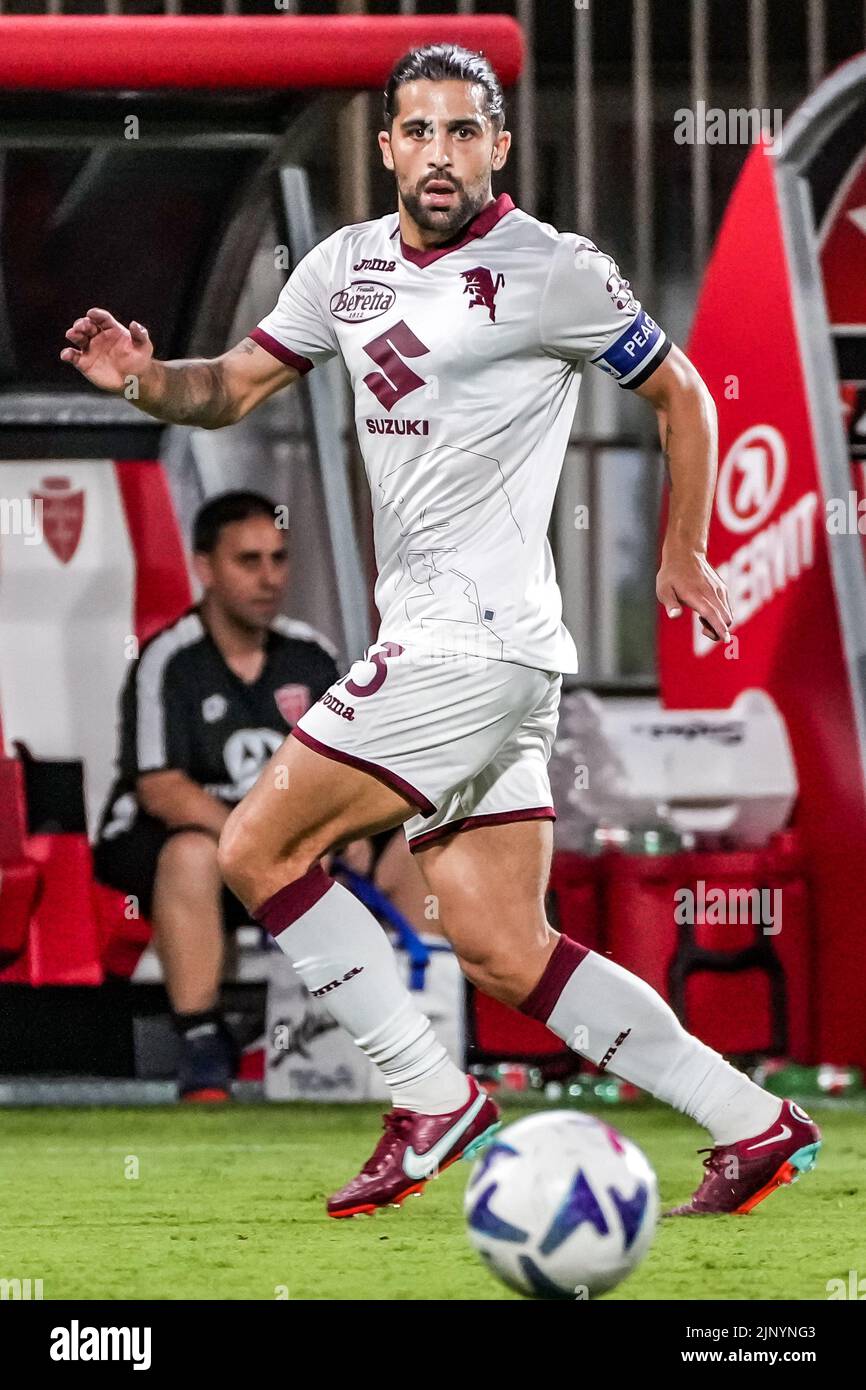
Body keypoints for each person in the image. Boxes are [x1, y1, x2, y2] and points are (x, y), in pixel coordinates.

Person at [63, 43, 821, 1217]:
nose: (437, 153)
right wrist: (143, 380)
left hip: (466, 647)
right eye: (416, 131)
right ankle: (753, 1120)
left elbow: (682, 394)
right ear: (384, 148)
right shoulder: (341, 268)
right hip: (492, 662)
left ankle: (431, 1097)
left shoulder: (553, 270)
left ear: (497, 148)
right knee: (504, 947)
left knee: (255, 847)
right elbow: (230, 386)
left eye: (462, 132)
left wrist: (680, 548)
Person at [93, 490, 366, 1101]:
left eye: (279, 559)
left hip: (283, 853)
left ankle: (423, 1041)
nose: (269, 578)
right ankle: (200, 1043)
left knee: (412, 848)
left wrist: (346, 840)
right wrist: (266, 842)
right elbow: (162, 789)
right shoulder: (169, 659)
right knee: (191, 852)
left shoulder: (312, 657)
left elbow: (352, 772)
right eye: (249, 561)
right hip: (169, 853)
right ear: (205, 568)